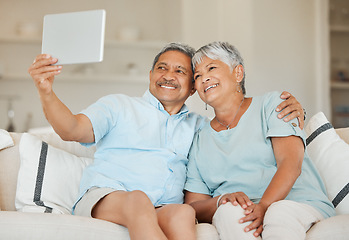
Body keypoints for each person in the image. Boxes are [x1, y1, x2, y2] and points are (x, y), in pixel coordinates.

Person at [28, 42, 304, 240]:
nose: (169, 75)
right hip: (108, 197)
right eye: (162, 68)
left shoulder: (200, 128)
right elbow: (72, 129)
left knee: (184, 214)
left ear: (194, 87)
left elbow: (238, 125)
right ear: (151, 76)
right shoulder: (118, 106)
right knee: (138, 200)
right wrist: (46, 92)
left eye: (181, 72)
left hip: (163, 207)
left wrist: (295, 109)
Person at [184, 41, 335, 240]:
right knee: (229, 212)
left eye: (211, 68)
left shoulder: (273, 104)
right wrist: (221, 200)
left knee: (278, 211)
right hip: (239, 211)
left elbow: (291, 164)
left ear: (238, 73)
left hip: (297, 203)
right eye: (198, 76)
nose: (204, 78)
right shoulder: (200, 139)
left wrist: (264, 205)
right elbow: (193, 206)